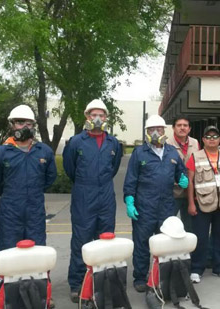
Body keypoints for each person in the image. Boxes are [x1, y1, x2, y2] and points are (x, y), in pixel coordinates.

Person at [0, 105, 57, 301]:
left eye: (28, 122)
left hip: (35, 208)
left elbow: (50, 178)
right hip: (10, 209)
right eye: (19, 122)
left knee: (38, 252)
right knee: (5, 251)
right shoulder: (1, 153)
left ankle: (41, 296)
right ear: (11, 125)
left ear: (34, 125)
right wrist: (14, 195)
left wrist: (32, 192)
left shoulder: (44, 151)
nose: (24, 126)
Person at [63, 99, 123, 302]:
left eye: (101, 115)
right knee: (81, 239)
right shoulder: (76, 142)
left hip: (106, 195)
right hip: (83, 195)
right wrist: (85, 184)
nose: (97, 118)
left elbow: (113, 168)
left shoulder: (113, 143)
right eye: (93, 115)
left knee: (106, 238)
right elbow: (70, 169)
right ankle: (77, 283)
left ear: (106, 118)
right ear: (86, 117)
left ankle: (102, 282)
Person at [123, 115, 188, 293]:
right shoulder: (139, 153)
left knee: (165, 244)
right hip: (144, 206)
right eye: (152, 130)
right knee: (142, 243)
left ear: (164, 131)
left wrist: (184, 180)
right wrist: (129, 201)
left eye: (159, 129)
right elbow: (130, 180)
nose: (155, 133)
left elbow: (181, 173)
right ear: (147, 132)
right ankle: (140, 277)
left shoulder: (172, 152)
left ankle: (162, 276)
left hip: (166, 206)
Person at [187, 126, 220, 282]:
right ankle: (196, 269)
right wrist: (191, 204)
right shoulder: (195, 156)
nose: (212, 139)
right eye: (208, 137)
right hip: (202, 203)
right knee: (200, 238)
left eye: (215, 137)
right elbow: (190, 181)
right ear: (203, 140)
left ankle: (219, 267)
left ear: (219, 139)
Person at [167, 116, 199, 233]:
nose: (182, 128)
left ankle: (189, 251)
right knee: (168, 225)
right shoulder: (167, 144)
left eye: (185, 125)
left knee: (190, 226)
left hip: (190, 193)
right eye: (179, 125)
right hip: (172, 193)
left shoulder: (195, 143)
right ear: (173, 128)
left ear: (189, 129)